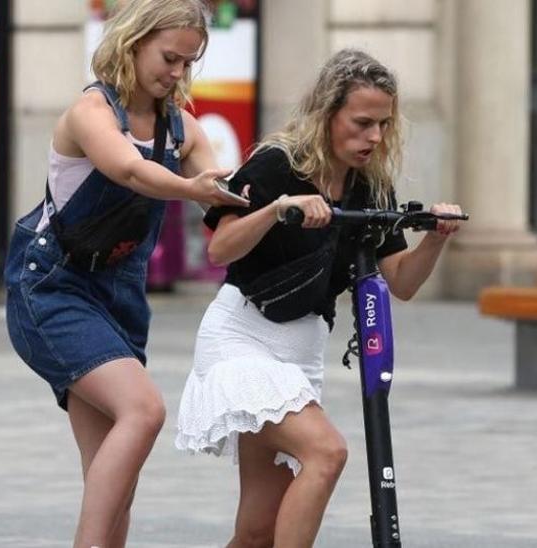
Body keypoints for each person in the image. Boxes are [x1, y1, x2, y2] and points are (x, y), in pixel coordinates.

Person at [173, 49, 462, 548]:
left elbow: (403, 282)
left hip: (301, 353)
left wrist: (436, 236)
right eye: (362, 122)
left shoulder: (370, 186)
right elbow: (220, 248)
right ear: (329, 114)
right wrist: (277, 210)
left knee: (257, 532)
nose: (374, 137)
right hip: (242, 338)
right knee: (327, 453)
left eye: (383, 125)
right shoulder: (276, 166)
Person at [3, 1, 248, 546]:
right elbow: (128, 169)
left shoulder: (181, 127)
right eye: (169, 58)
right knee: (143, 410)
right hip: (51, 289)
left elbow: (222, 186)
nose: (177, 73)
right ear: (133, 41)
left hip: (120, 299)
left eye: (188, 63)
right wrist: (190, 188)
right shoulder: (90, 112)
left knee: (113, 485)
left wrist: (274, 200)